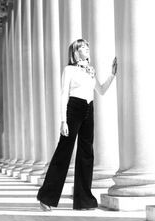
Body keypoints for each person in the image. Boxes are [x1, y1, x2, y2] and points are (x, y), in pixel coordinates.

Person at [37, 39, 117, 211]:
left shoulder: (90, 70)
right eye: (82, 47)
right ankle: (46, 197)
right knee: (63, 152)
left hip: (89, 108)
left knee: (86, 153)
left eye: (87, 46)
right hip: (73, 108)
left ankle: (84, 201)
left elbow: (101, 91)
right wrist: (63, 120)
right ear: (75, 52)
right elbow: (63, 94)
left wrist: (112, 75)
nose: (87, 49)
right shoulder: (69, 70)